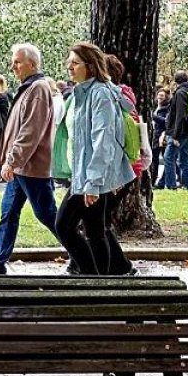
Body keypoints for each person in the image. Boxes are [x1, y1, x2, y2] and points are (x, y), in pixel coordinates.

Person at [0, 43, 58, 275]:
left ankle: (83, 253)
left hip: (31, 167)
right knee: (8, 211)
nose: (13, 66)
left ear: (32, 64)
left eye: (18, 61)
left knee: (48, 214)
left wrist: (12, 161)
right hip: (20, 168)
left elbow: (30, 131)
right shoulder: (28, 88)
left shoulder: (38, 88)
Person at [53, 42, 135, 276]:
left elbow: (103, 140)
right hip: (86, 175)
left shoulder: (99, 93)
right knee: (95, 230)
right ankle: (99, 281)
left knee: (65, 225)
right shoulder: (85, 92)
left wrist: (93, 182)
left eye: (74, 63)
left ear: (89, 66)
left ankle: (92, 278)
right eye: (69, 61)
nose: (69, 66)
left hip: (91, 178)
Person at [161, 71, 188, 190]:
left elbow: (180, 115)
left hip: (180, 131)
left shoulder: (180, 93)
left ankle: (171, 185)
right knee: (184, 158)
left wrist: (175, 136)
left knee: (168, 158)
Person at [151, 88, 170, 185]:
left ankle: (163, 182)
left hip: (162, 136)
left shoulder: (167, 108)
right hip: (154, 136)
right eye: (158, 95)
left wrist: (153, 116)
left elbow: (166, 121)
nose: (159, 97)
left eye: (162, 96)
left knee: (166, 158)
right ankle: (152, 181)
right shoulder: (154, 106)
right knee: (154, 160)